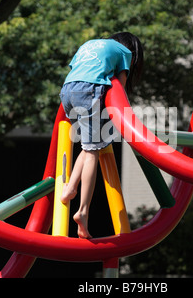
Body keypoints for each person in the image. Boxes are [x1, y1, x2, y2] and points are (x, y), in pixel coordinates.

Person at [59, 32, 144, 238]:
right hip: (89, 91)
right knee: (93, 153)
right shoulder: (125, 52)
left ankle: (70, 187)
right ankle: (83, 211)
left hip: (67, 91)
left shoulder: (89, 43)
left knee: (89, 146)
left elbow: (76, 69)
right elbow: (120, 86)